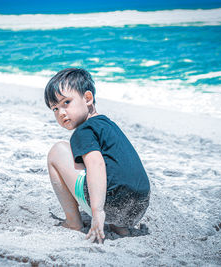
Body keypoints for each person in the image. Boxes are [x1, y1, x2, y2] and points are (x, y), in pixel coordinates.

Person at [45, 68, 150, 244]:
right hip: (139, 205)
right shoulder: (108, 125)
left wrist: (97, 211)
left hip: (113, 202)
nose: (61, 113)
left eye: (66, 103)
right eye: (55, 108)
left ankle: (73, 222)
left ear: (87, 98)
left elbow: (96, 165)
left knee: (57, 151)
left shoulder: (84, 130)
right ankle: (119, 227)